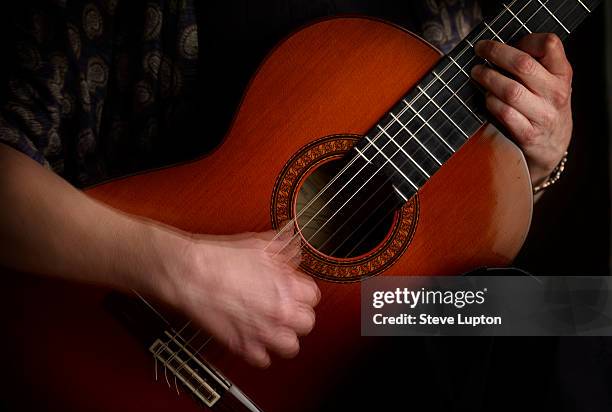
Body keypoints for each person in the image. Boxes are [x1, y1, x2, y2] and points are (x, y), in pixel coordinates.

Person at [0, 0, 573, 370]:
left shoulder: (455, 11)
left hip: (378, 327)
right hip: (111, 340)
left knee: (574, 316)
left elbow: (466, 231)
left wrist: (541, 164)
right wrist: (180, 269)